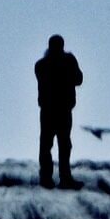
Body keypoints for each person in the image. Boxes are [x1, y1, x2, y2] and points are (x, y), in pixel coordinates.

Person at [34, 35, 82, 189]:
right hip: (63, 109)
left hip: (48, 110)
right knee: (64, 144)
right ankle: (65, 178)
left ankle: (46, 178)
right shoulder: (68, 61)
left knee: (47, 144)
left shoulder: (41, 65)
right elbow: (79, 79)